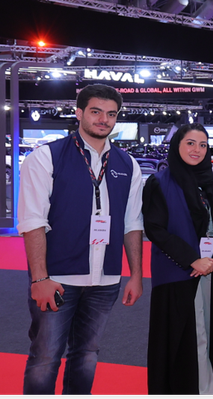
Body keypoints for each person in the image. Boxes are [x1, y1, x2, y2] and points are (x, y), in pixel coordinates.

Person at [19, 84, 144, 395]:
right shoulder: (46, 156)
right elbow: (33, 221)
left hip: (105, 281)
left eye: (111, 114)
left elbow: (133, 224)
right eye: (96, 111)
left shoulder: (128, 164)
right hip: (57, 279)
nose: (104, 119)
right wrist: (39, 278)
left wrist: (136, 275)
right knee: (45, 358)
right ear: (79, 113)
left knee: (87, 356)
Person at [143, 124, 213, 395]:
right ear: (177, 145)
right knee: (184, 338)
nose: (197, 150)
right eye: (190, 143)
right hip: (176, 274)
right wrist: (192, 260)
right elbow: (155, 229)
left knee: (212, 335)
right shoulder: (159, 182)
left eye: (202, 144)